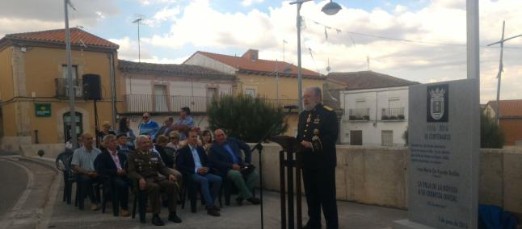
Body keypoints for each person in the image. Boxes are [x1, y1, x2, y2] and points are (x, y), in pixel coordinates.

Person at [296, 87, 339, 229]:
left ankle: (332, 225)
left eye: (308, 96)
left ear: (318, 98)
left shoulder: (328, 114)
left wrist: (312, 145)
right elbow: (300, 136)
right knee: (311, 196)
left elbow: (331, 137)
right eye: (304, 97)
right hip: (307, 162)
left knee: (327, 197)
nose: (305, 99)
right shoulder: (303, 115)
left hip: (323, 163)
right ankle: (314, 223)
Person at [127, 135, 182, 226]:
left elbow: (162, 168)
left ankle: (172, 213)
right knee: (155, 187)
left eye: (148, 142)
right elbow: (131, 171)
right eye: (144, 143)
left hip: (156, 178)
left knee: (172, 185)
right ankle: (156, 215)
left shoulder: (154, 154)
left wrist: (169, 174)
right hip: (143, 180)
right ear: (138, 144)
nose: (146, 144)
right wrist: (140, 178)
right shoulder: (132, 155)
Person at [176, 129, 222, 217]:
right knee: (204, 180)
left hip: (203, 172)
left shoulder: (200, 149)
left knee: (218, 179)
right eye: (192, 137)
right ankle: (210, 207)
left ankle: (210, 202)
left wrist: (207, 168)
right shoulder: (183, 151)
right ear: (187, 139)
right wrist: (196, 170)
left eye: (196, 137)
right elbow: (180, 166)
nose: (194, 138)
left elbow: (208, 161)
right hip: (192, 174)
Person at [208, 129, 260, 205]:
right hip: (227, 170)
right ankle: (249, 197)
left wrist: (247, 161)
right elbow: (216, 163)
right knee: (236, 175)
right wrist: (231, 165)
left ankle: (240, 197)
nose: (221, 137)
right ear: (215, 138)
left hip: (241, 166)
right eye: (219, 136)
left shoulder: (232, 141)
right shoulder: (213, 148)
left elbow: (246, 147)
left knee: (254, 174)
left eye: (222, 134)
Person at [94, 134, 130, 217]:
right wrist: (116, 172)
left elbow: (127, 165)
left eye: (115, 141)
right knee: (123, 185)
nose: (114, 143)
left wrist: (125, 170)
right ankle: (124, 208)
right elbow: (101, 170)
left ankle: (143, 204)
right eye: (112, 141)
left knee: (137, 181)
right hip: (111, 177)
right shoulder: (102, 156)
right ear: (106, 144)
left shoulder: (121, 154)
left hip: (123, 175)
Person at [71, 133, 102, 210]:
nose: (90, 140)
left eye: (91, 138)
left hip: (96, 173)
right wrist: (88, 173)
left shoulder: (97, 151)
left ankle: (110, 200)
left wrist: (97, 172)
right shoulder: (77, 152)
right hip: (82, 174)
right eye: (88, 139)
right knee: (87, 180)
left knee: (108, 177)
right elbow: (76, 166)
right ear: (82, 140)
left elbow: (102, 164)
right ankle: (94, 202)